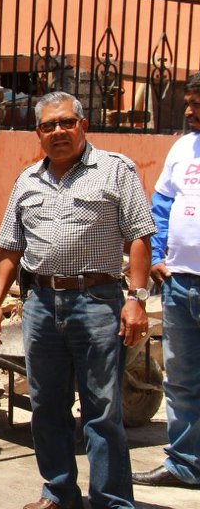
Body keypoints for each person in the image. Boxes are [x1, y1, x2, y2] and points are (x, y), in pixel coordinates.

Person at [0, 91, 155, 509]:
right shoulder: (27, 180)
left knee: (102, 408)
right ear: (38, 133)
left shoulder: (116, 170)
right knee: (46, 406)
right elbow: (10, 248)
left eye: (66, 123)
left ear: (83, 125)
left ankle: (111, 500)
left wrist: (136, 299)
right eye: (48, 126)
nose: (58, 131)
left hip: (97, 300)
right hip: (40, 303)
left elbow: (139, 236)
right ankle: (59, 492)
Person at [131, 73, 200, 489]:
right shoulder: (182, 147)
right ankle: (185, 464)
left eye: (197, 104)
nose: (189, 111)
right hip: (179, 285)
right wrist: (157, 258)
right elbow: (160, 204)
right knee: (181, 380)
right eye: (189, 103)